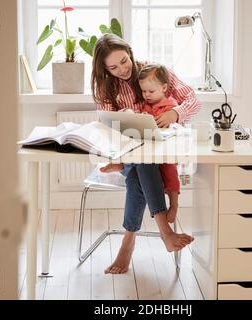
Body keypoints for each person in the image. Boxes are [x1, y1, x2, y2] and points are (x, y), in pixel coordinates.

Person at [91, 34, 201, 274]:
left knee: (140, 171)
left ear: (129, 52)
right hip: (127, 152)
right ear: (105, 69)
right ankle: (165, 232)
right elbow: (107, 128)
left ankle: (128, 242)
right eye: (113, 67)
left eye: (124, 60)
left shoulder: (154, 71)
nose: (122, 69)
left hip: (158, 154)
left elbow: (193, 99)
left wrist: (177, 113)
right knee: (141, 163)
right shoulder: (106, 89)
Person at [103, 63, 181, 224]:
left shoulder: (170, 107)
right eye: (144, 91)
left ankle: (174, 205)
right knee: (138, 161)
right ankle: (122, 164)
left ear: (164, 88)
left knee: (171, 174)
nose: (147, 95)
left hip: (164, 153)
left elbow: (175, 129)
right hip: (147, 152)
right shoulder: (147, 105)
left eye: (151, 91)